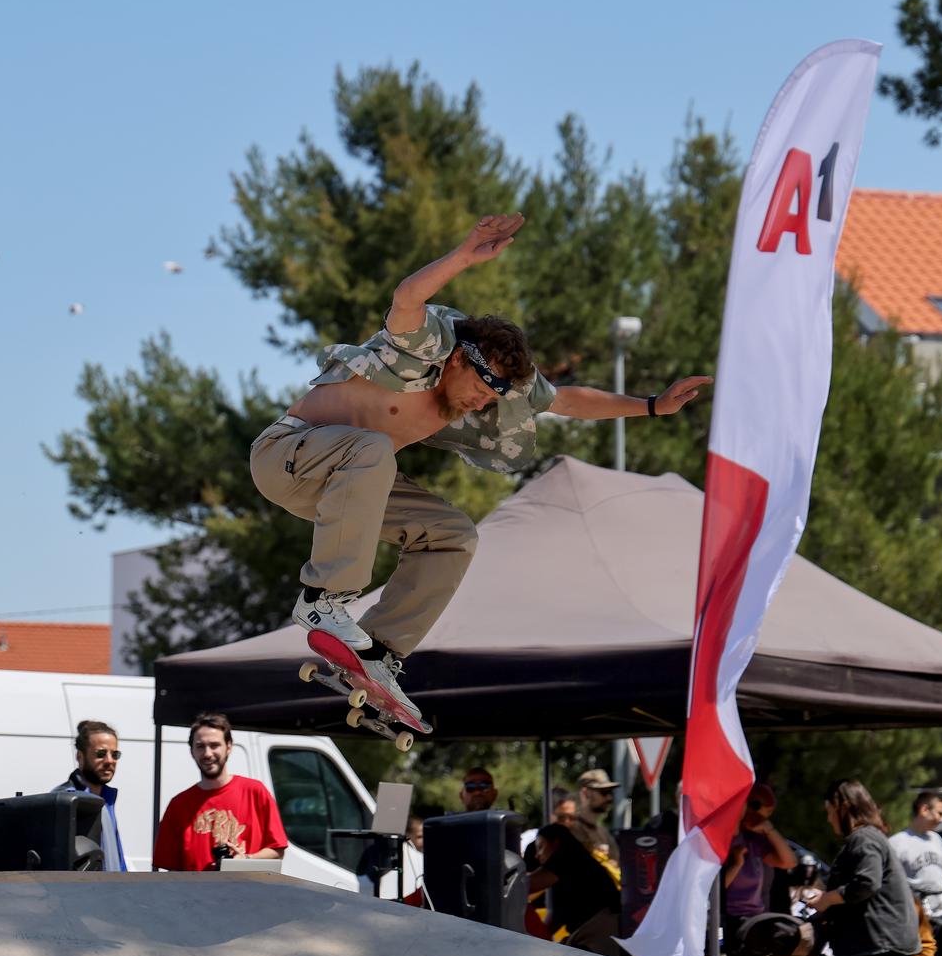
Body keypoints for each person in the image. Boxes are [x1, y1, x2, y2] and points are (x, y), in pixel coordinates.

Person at [249, 213, 711, 722]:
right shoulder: (420, 347)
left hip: (345, 484)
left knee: (453, 534)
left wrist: (651, 406)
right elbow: (406, 298)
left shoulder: (493, 393)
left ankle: (377, 653)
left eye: (492, 398)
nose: (479, 403)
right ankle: (322, 599)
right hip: (287, 457)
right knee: (374, 449)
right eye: (476, 388)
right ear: (456, 362)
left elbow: (569, 401)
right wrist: (464, 255)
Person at [805, 779, 921, 956]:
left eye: (829, 811)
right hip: (891, 944)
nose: (828, 819)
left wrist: (826, 899)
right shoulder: (873, 837)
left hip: (875, 946)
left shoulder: (863, 839)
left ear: (843, 807)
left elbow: (867, 883)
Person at [152, 712, 288, 871]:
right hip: (196, 894)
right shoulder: (178, 805)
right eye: (200, 746)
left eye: (214, 745)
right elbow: (170, 869)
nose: (208, 754)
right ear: (192, 751)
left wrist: (246, 860)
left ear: (229, 747)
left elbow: (277, 850)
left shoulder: (255, 792)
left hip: (248, 892)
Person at [528, 822, 623, 956]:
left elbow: (527, 885)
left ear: (555, 843)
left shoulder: (566, 856)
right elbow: (556, 917)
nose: (537, 855)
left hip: (598, 929)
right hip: (595, 928)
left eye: (541, 847)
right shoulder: (576, 861)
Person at [722, 782, 799, 946]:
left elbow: (789, 861)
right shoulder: (720, 841)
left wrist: (769, 830)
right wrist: (736, 864)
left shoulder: (754, 840)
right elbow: (715, 890)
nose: (763, 818)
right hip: (729, 921)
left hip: (756, 918)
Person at [51, 719, 129, 872]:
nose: (109, 761)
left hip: (112, 891)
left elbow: (117, 862)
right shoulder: (63, 799)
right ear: (80, 757)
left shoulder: (107, 799)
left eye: (115, 754)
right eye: (101, 754)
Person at [888, 791, 942, 919]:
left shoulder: (936, 839)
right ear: (924, 809)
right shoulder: (896, 843)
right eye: (940, 813)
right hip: (914, 917)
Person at [573, 769, 621, 863]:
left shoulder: (604, 834)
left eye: (610, 792)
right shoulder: (570, 829)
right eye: (603, 792)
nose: (609, 798)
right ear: (585, 793)